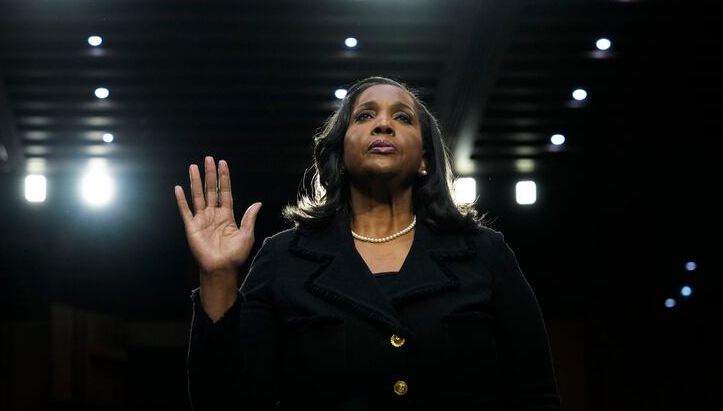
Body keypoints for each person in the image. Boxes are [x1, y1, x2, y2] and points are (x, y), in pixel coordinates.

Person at [174, 76, 562, 411]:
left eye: (402, 117)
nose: (383, 125)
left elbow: (536, 396)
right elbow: (227, 403)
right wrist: (218, 276)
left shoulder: (484, 253)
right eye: (365, 116)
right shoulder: (283, 258)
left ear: (425, 159)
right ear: (340, 152)